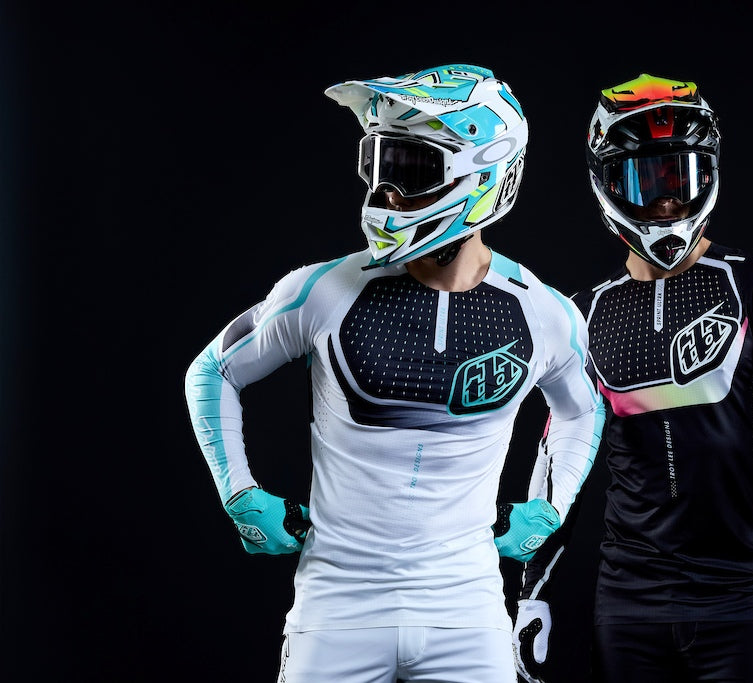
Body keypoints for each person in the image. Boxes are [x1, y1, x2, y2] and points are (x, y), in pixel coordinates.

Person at [184, 63, 605, 683]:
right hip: (336, 606)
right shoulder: (321, 291)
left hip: (467, 611)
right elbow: (212, 372)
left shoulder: (543, 315)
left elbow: (584, 408)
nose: (385, 193)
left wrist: (552, 504)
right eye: (378, 165)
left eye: (410, 169)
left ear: (483, 176)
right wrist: (238, 492)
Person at [511, 74, 753, 682]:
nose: (668, 200)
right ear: (609, 185)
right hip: (628, 607)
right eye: (649, 180)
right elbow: (560, 457)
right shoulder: (583, 315)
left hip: (742, 598)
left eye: (682, 177)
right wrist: (531, 593)